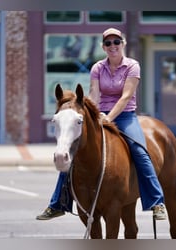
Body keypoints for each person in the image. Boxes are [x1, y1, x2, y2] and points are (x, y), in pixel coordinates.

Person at [36, 27, 166, 221]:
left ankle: (156, 202)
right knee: (72, 151)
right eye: (108, 43)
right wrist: (91, 113)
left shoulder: (132, 66)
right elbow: (94, 95)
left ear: (123, 44)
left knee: (140, 151)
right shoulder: (98, 67)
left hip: (125, 116)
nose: (112, 46)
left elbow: (126, 96)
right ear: (103, 47)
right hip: (101, 114)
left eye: (116, 42)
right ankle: (58, 203)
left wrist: (109, 117)